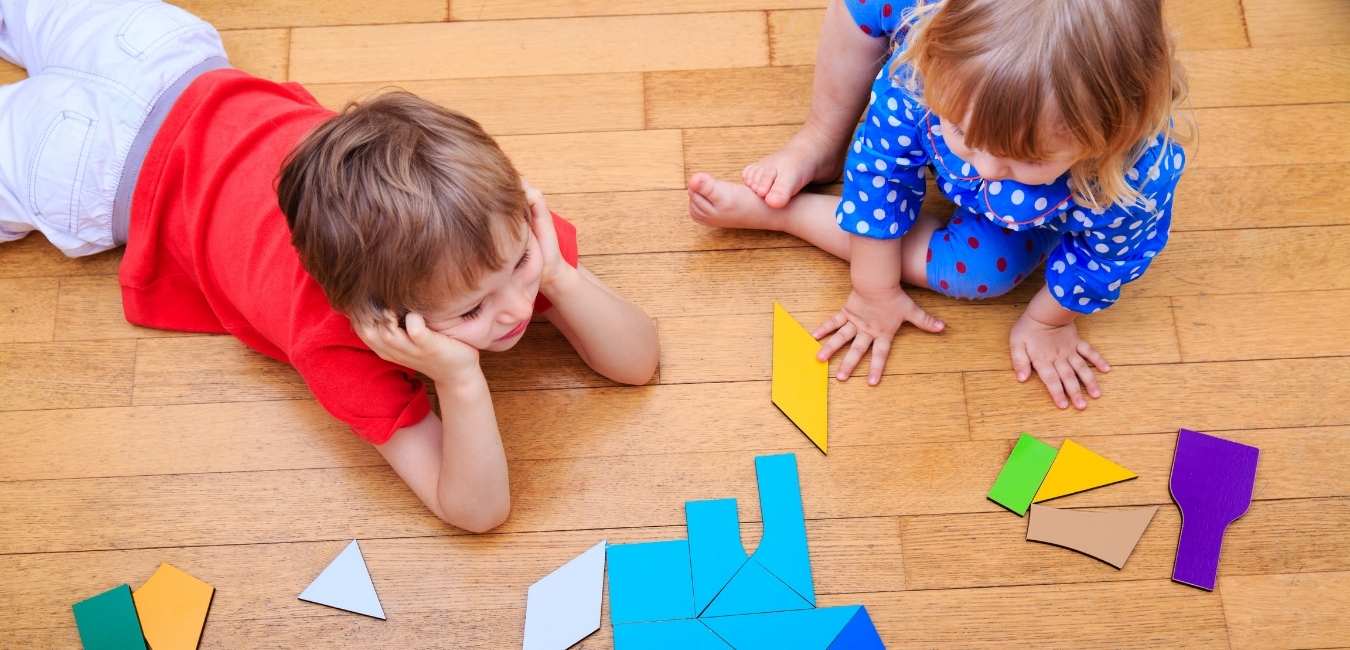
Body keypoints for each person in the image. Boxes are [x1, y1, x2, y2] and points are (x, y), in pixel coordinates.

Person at [0, 0, 658, 532]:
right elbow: (478, 512)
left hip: (152, 50)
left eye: (520, 265)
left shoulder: (489, 232)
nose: (517, 305)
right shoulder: (338, 342)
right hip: (86, 168)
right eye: (472, 311)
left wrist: (558, 276)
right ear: (377, 316)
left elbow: (638, 361)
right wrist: (459, 380)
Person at [689, 0, 1188, 410]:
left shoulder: (1135, 171)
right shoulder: (921, 73)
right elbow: (879, 172)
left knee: (980, 273)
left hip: (1014, 218)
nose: (985, 168)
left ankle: (785, 213)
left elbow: (1109, 257)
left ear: (1109, 136)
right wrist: (873, 289)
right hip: (928, 68)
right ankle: (819, 139)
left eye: (1024, 161)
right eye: (963, 136)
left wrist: (1046, 320)